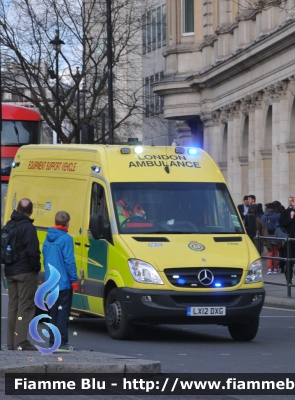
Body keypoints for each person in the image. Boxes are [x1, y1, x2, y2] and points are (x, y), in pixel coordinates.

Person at [5, 198, 41, 351]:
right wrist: (36, 268)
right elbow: (33, 251)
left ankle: (11, 341)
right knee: (25, 306)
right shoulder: (28, 228)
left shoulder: (8, 225)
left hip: (10, 270)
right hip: (25, 272)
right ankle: (20, 341)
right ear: (31, 211)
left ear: (17, 209)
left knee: (13, 305)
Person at [42, 211, 79, 351]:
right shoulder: (66, 239)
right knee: (63, 313)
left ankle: (52, 342)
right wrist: (74, 279)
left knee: (53, 314)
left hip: (50, 283)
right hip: (63, 283)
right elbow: (69, 261)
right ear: (67, 223)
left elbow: (45, 259)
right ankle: (62, 343)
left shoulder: (47, 238)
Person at [279, 198, 295, 284]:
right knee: (289, 262)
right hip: (289, 241)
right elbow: (281, 223)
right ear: (292, 202)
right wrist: (291, 217)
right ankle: (289, 280)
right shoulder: (286, 212)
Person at [262, 203, 279, 274]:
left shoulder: (264, 215)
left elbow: (262, 226)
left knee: (269, 252)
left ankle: (269, 269)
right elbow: (278, 225)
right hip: (275, 235)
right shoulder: (276, 215)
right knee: (275, 252)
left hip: (267, 235)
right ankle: (275, 268)